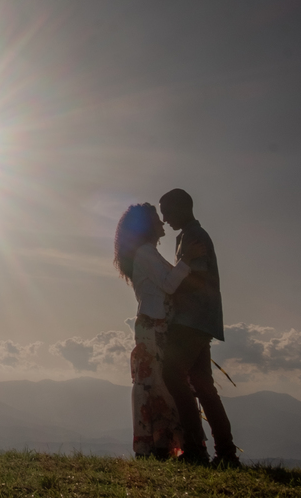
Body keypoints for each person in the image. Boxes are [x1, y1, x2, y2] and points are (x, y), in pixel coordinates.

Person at [159, 188, 240, 467]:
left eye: (167, 211)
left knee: (172, 374)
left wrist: (171, 284)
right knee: (204, 386)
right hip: (200, 320)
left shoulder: (195, 236)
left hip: (191, 320)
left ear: (182, 208)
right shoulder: (187, 236)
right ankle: (226, 454)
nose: (164, 218)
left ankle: (196, 450)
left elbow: (198, 275)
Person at [114, 203, 192, 460]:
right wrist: (188, 260)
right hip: (153, 325)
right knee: (155, 384)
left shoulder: (147, 253)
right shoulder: (146, 253)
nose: (162, 223)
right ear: (148, 226)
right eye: (157, 219)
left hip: (152, 324)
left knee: (152, 384)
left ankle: (155, 446)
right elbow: (170, 285)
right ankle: (157, 446)